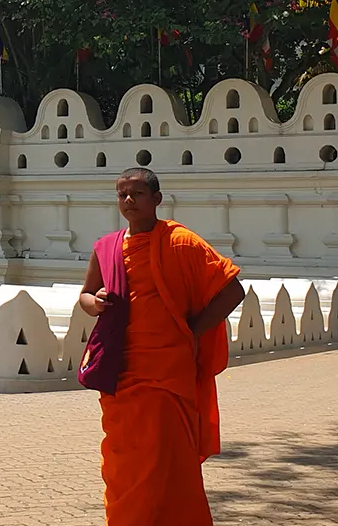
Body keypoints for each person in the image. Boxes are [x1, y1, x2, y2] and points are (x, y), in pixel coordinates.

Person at [78, 168, 246, 526]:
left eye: (137, 194)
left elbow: (233, 290)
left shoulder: (181, 242)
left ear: (156, 199)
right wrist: (95, 303)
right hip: (121, 373)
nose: (128, 201)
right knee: (125, 461)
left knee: (167, 461)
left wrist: (192, 331)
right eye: (122, 194)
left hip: (167, 371)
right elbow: (86, 295)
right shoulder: (106, 247)